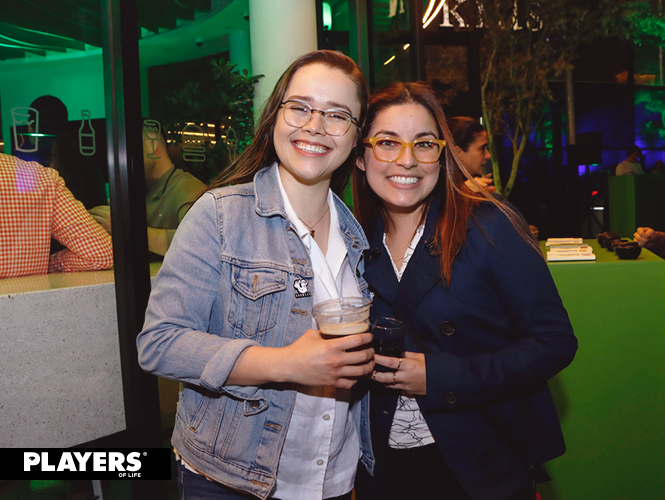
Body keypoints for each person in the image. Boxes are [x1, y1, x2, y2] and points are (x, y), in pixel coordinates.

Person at [137, 50, 375, 500]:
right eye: (300, 107)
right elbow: (159, 343)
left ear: (355, 137)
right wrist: (286, 364)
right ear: (275, 117)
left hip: (333, 478)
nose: (315, 126)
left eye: (337, 115)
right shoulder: (220, 215)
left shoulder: (357, 237)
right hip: (232, 480)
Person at [352, 82, 577, 500]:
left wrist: (438, 376)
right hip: (377, 467)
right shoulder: (351, 243)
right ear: (362, 157)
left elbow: (555, 342)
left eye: (424, 144)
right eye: (387, 142)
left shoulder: (489, 227)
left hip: (475, 463)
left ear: (441, 155)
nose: (407, 160)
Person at [89, 119, 206, 257]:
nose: (125, 160)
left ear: (151, 145)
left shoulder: (187, 188)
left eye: (130, 151)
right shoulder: (139, 190)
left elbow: (199, 244)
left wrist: (124, 229)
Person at [0, 153, 113, 279]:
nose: (50, 163)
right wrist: (46, 265)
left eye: (53, 157)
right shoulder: (40, 177)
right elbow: (100, 254)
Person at [16, 95, 107, 209]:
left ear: (31, 128)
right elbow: (99, 213)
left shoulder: (27, 168)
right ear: (66, 126)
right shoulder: (88, 166)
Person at [448, 116, 495, 193]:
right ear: (458, 153)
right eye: (482, 149)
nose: (488, 155)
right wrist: (462, 192)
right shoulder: (435, 191)